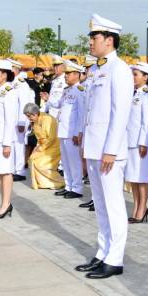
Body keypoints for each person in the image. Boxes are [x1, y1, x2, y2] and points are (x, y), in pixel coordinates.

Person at [74, 14, 132, 280]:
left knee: (113, 204)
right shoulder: (97, 70)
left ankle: (115, 258)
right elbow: (92, 113)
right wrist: (88, 146)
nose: (90, 43)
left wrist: (110, 149)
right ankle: (103, 252)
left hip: (109, 151)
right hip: (95, 149)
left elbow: (120, 113)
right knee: (100, 204)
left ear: (109, 41)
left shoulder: (119, 69)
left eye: (94, 38)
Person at [0, 59, 20, 218]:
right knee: (0, 172)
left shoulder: (9, 92)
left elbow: (10, 120)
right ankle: (4, 203)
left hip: (3, 140)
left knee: (6, 172)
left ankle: (6, 204)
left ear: (5, 75)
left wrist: (7, 143)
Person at [49, 60, 86, 199]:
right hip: (63, 130)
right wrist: (48, 98)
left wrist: (78, 132)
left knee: (74, 161)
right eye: (66, 74)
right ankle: (68, 186)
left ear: (77, 74)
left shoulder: (80, 91)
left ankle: (77, 188)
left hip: (72, 133)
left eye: (69, 73)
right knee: (65, 161)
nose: (66, 76)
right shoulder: (66, 90)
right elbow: (58, 105)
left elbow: (82, 114)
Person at [125, 62, 148, 224]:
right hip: (129, 141)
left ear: (146, 77)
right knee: (133, 177)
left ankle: (142, 208)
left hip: (141, 143)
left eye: (136, 74)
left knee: (142, 177)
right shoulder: (132, 93)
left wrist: (144, 142)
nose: (133, 77)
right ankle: (137, 206)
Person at [23, 102, 64, 190]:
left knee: (41, 164)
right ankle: (44, 183)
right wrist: (37, 148)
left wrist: (40, 148)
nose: (28, 118)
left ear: (35, 114)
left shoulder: (47, 119)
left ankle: (59, 182)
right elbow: (39, 138)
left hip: (54, 146)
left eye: (29, 116)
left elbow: (51, 137)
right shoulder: (35, 120)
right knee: (31, 159)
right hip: (43, 146)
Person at [42, 55, 66, 120]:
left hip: (58, 116)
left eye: (57, 66)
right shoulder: (54, 80)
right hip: (50, 114)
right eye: (54, 66)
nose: (55, 68)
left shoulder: (65, 80)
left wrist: (48, 99)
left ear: (63, 66)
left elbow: (62, 102)